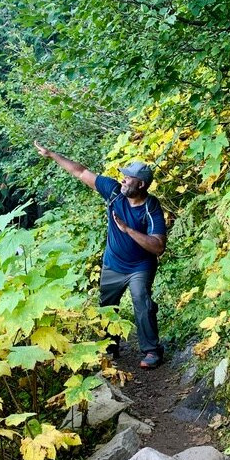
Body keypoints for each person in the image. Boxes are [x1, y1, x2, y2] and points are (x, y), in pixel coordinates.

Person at [34, 141, 167, 369]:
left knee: (141, 300)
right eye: (123, 176)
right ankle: (109, 346)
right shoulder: (115, 191)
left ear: (141, 184)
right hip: (113, 263)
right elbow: (81, 171)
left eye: (128, 177)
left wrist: (128, 230)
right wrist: (51, 154)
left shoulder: (151, 207)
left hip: (140, 266)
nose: (123, 179)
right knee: (107, 306)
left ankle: (151, 350)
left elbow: (158, 247)